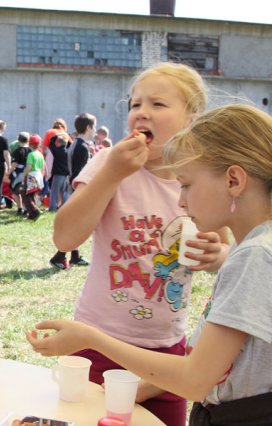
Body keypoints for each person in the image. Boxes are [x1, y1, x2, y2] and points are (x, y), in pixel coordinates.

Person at [28, 103, 272, 425]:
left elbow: (195, 379)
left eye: (186, 184)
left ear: (234, 180)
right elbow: (222, 364)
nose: (180, 201)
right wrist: (144, 386)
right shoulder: (256, 250)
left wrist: (90, 338)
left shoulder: (256, 256)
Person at [47, 62, 231, 426]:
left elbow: (223, 249)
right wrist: (113, 173)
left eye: (158, 105)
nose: (141, 112)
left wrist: (218, 256)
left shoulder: (202, 178)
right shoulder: (107, 162)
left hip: (167, 353)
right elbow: (65, 237)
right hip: (97, 343)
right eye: (134, 104)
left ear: (192, 117)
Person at [49, 113, 95, 270]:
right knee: (76, 226)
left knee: (76, 224)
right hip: (77, 190)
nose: (94, 130)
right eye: (93, 126)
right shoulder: (81, 146)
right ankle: (59, 256)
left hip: (74, 189)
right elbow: (79, 173)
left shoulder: (76, 144)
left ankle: (74, 256)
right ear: (88, 127)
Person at [22, 134, 45, 221]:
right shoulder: (40, 154)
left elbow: (29, 167)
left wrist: (24, 174)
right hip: (39, 175)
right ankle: (31, 215)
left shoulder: (31, 154)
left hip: (32, 175)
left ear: (29, 144)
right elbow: (43, 167)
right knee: (31, 195)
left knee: (26, 195)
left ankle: (35, 211)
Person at [10, 132, 32, 216]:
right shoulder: (31, 150)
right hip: (29, 174)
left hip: (18, 175)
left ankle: (20, 209)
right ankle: (26, 208)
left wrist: (9, 172)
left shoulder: (17, 151)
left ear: (18, 140)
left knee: (15, 191)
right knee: (26, 192)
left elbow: (14, 165)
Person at [47, 131, 70, 212]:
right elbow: (69, 144)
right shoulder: (68, 152)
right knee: (64, 192)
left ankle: (52, 208)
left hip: (58, 175)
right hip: (66, 176)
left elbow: (50, 144)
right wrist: (66, 136)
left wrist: (56, 135)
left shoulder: (57, 151)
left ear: (58, 143)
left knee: (54, 192)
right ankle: (65, 207)